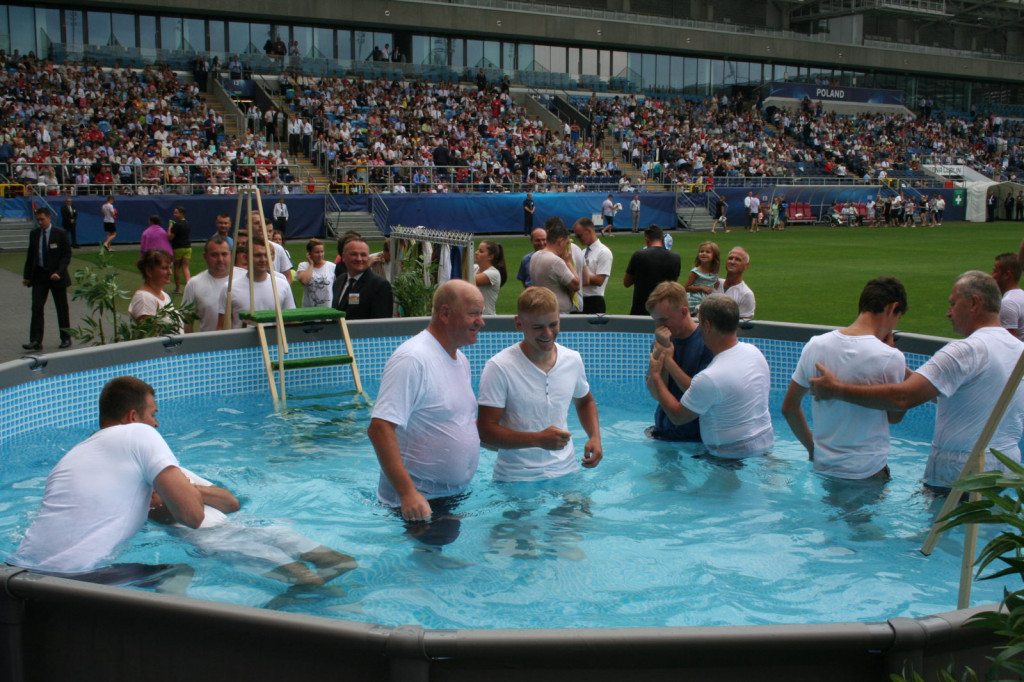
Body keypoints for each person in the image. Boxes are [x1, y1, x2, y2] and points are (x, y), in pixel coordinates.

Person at [809, 271, 1024, 489]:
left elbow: (903, 397)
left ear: (974, 303)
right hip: (1008, 469)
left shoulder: (966, 350)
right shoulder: (1018, 349)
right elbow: (970, 396)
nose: (948, 313)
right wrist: (895, 365)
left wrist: (836, 390)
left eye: (953, 303)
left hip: (960, 474)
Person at [7, 376, 204, 578]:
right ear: (133, 417)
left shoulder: (71, 457)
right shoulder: (140, 433)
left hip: (13, 571)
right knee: (178, 573)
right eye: (153, 414)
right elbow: (192, 516)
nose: (156, 424)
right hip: (71, 578)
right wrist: (192, 491)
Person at [367, 279, 484, 521]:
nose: (481, 322)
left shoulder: (460, 359)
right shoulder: (413, 359)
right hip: (419, 501)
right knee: (439, 559)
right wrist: (408, 493)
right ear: (445, 313)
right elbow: (380, 428)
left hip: (449, 495)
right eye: (473, 314)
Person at [781, 277, 908, 480]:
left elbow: (789, 407)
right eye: (897, 318)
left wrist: (812, 449)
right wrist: (892, 354)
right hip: (868, 469)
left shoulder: (815, 345)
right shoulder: (891, 357)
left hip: (824, 468)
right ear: (893, 308)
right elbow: (895, 417)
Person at [150, 467, 356, 586]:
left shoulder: (172, 469)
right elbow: (169, 515)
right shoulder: (136, 484)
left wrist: (188, 488)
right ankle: (302, 602)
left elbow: (231, 503)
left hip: (243, 524)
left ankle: (304, 596)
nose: (156, 422)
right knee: (307, 579)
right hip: (214, 540)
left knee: (343, 562)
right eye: (152, 415)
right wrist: (184, 488)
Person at [477, 287, 602, 481]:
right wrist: (537, 439)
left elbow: (585, 401)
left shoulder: (572, 359)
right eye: (538, 327)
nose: (547, 333)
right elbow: (485, 431)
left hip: (566, 470)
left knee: (582, 511)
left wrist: (595, 437)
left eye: (553, 324)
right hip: (516, 477)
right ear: (519, 324)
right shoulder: (499, 367)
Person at [646, 294, 774, 458]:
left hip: (728, 454)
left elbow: (677, 417)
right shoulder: (755, 353)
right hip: (764, 442)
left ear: (707, 325)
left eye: (699, 321)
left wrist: (657, 375)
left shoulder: (711, 377)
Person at [644, 281, 714, 442]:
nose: (659, 327)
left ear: (684, 312)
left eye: (664, 320)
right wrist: (661, 355)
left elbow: (698, 395)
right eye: (656, 320)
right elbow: (655, 394)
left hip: (697, 439)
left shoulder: (707, 343)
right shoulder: (661, 341)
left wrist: (668, 360)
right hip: (664, 431)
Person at [217, 238, 296, 329]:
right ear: (246, 258)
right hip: (242, 342)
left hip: (274, 342)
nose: (263, 259)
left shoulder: (282, 285)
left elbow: (291, 323)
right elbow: (222, 326)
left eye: (266, 255)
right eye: (257, 255)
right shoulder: (230, 288)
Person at [22, 207, 71, 351]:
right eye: (38, 220)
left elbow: (66, 255)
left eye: (42, 219)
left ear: (49, 218)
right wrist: (27, 276)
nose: (40, 222)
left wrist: (59, 272)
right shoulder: (34, 234)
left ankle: (65, 337)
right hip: (40, 276)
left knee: (61, 308)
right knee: (36, 307)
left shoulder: (59, 233)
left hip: (56, 275)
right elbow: (31, 255)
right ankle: (36, 340)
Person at [624, 225, 681, 316]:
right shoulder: (676, 257)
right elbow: (674, 282)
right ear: (662, 238)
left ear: (647, 239)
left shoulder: (639, 255)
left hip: (641, 309)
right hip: (666, 309)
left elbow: (626, 282)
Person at [331, 238, 393, 319]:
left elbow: (381, 324)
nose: (359, 259)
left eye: (363, 255)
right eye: (354, 254)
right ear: (343, 257)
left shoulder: (379, 285)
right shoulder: (339, 281)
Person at [529, 220, 581, 314]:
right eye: (566, 243)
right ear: (560, 241)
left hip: (542, 307)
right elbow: (576, 285)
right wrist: (568, 262)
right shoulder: (556, 261)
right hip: (558, 312)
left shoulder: (535, 256)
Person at [181, 237, 232, 333]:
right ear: (205, 257)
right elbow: (187, 322)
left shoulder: (246, 278)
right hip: (210, 345)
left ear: (231, 255)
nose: (220, 259)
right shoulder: (194, 284)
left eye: (224, 254)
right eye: (214, 255)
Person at [130, 249, 185, 334]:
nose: (170, 272)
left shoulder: (164, 295)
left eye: (170, 267)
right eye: (164, 268)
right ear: (149, 271)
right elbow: (149, 338)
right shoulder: (144, 299)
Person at [572, 217, 613, 314]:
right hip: (580, 299)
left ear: (589, 231)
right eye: (576, 236)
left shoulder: (604, 252)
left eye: (579, 236)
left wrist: (575, 279)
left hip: (594, 301)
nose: (578, 239)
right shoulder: (582, 252)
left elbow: (599, 280)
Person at [296, 237, 337, 308]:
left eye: (322, 251)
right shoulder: (303, 266)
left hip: (327, 308)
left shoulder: (332, 266)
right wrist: (311, 264)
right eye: (317, 252)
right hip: (309, 309)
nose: (320, 255)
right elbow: (304, 281)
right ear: (309, 253)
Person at [718, 247, 756, 321]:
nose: (732, 262)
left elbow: (744, 326)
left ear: (746, 265)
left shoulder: (746, 294)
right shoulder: (714, 284)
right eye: (730, 258)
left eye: (738, 259)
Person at [994, 252, 1024, 340]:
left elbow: (1009, 345)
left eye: (995, 271)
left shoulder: (1008, 303)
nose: (992, 275)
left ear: (1007, 275)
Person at [683, 241, 720, 312]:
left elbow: (715, 284)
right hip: (695, 300)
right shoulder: (695, 272)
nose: (704, 253)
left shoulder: (714, 271)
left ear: (714, 256)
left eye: (707, 252)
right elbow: (686, 288)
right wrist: (701, 288)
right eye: (701, 251)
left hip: (709, 299)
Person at [473, 240, 508, 315]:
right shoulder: (474, 268)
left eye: (481, 251)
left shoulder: (493, 273)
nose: (476, 252)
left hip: (487, 319)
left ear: (490, 256)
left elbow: (468, 280)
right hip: (474, 317)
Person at [167, 206, 191, 294]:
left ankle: (178, 288)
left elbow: (170, 237)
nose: (174, 214)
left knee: (176, 267)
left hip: (178, 248)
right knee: (185, 267)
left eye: (176, 212)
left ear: (181, 214)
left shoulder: (176, 225)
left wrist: (170, 226)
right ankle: (189, 288)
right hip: (188, 247)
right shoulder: (188, 223)